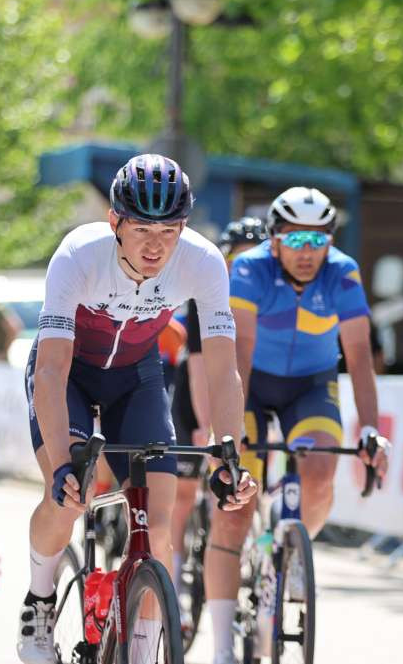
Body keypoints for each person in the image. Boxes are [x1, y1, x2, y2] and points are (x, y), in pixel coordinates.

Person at [16, 154, 257, 664]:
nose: (155, 244)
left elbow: (223, 371)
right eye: (142, 229)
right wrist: (61, 466)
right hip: (69, 373)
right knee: (70, 497)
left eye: (169, 230)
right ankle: (39, 601)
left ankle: (143, 651)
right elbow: (52, 371)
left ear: (184, 227)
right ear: (115, 222)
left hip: (136, 376)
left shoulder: (204, 261)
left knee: (160, 525)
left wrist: (229, 457)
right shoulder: (78, 254)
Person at [205, 188, 390, 664]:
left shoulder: (342, 272)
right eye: (295, 239)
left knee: (322, 470)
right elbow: (241, 352)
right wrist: (229, 433)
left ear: (331, 241)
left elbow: (359, 354)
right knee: (233, 510)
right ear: (274, 238)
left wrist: (370, 429)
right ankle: (222, 646)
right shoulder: (250, 269)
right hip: (251, 384)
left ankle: (290, 550)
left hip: (310, 385)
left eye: (318, 240)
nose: (307, 251)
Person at [168, 216, 269, 596]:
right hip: (196, 394)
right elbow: (199, 368)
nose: (242, 269)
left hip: (240, 394)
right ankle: (172, 579)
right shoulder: (208, 294)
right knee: (182, 493)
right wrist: (204, 424)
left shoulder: (266, 299)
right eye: (235, 260)